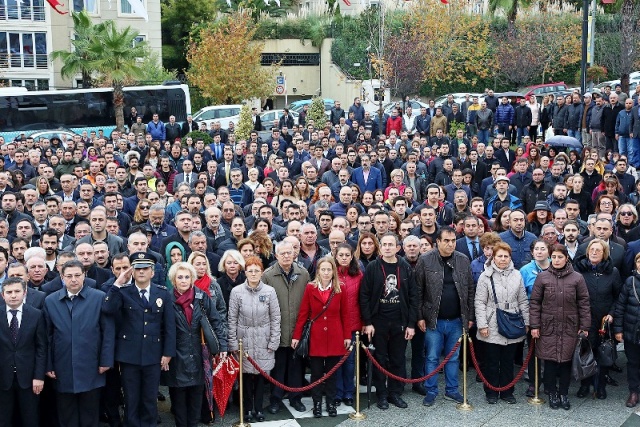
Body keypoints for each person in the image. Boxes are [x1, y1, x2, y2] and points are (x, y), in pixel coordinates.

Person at [103, 252, 176, 427]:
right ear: (132, 272)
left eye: (145, 269)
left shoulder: (162, 293)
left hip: (153, 354)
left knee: (150, 399)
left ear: (152, 272)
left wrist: (168, 353)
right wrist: (117, 284)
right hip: (129, 355)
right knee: (131, 398)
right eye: (137, 268)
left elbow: (169, 326)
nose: (141, 272)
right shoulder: (123, 292)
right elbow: (107, 309)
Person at [43, 260, 114, 427]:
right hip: (62, 366)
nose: (73, 279)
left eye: (77, 275)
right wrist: (48, 364)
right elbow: (46, 336)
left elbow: (107, 333)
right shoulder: (51, 301)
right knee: (66, 415)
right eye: (69, 276)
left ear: (85, 275)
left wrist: (106, 361)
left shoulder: (99, 298)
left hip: (92, 365)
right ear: (62, 277)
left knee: (90, 415)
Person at [163, 261, 227, 427]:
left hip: (200, 355)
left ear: (192, 278)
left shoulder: (201, 297)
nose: (184, 280)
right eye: (180, 277)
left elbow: (216, 321)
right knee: (178, 399)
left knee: (196, 398)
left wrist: (223, 346)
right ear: (173, 280)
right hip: (176, 356)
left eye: (187, 277)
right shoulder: (167, 300)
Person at [416, 226, 475, 407]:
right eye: (447, 241)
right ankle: (431, 390)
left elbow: (470, 290)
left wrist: (470, 315)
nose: (451, 244)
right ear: (438, 242)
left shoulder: (463, 260)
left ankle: (452, 390)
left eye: (453, 241)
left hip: (457, 319)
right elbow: (418, 291)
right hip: (433, 320)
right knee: (432, 357)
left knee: (454, 357)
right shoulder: (425, 260)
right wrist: (420, 317)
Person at [360, 233, 417, 410]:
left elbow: (414, 297)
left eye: (390, 244)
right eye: (384, 244)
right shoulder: (373, 267)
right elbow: (364, 296)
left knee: (397, 359)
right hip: (378, 322)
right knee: (379, 359)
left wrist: (411, 324)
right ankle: (382, 394)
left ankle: (395, 393)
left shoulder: (405, 267)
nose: (387, 247)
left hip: (400, 321)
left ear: (397, 247)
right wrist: (367, 322)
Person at [530, 244, 591, 410]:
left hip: (569, 326)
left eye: (560, 257)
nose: (556, 260)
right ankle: (552, 392)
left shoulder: (577, 278)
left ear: (566, 258)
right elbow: (535, 302)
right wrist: (534, 325)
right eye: (554, 257)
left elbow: (584, 303)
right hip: (548, 325)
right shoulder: (543, 277)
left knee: (565, 361)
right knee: (549, 361)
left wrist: (585, 325)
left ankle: (563, 392)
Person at [292, 256, 351, 418]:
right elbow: (303, 314)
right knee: (316, 373)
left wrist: (347, 336)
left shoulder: (341, 288)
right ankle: (317, 404)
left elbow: (345, 315)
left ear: (333, 271)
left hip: (335, 336)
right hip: (316, 337)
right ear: (318, 271)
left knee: (332, 373)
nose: (326, 273)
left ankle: (331, 403)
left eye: (329, 269)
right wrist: (296, 336)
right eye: (322, 269)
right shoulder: (311, 288)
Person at [475, 242, 529, 404]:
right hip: (492, 322)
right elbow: (479, 302)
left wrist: (526, 322)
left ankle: (507, 391)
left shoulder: (517, 275)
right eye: (500, 256)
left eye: (506, 256)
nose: (503, 259)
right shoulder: (485, 276)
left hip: (512, 321)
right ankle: (491, 392)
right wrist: (482, 324)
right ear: (494, 257)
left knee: (507, 361)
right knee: (491, 361)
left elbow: (523, 300)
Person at [228, 256, 280, 423]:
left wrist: (273, 341)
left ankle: (259, 408)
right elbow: (232, 319)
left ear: (261, 272)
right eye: (250, 271)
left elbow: (275, 318)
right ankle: (247, 409)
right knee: (245, 379)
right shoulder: (236, 292)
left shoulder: (270, 291)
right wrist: (233, 343)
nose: (253, 274)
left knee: (260, 378)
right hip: (244, 341)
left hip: (263, 341)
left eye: (256, 271)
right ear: (245, 272)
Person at [261, 241, 310, 414]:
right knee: (278, 367)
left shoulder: (303, 274)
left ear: (294, 254)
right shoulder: (267, 276)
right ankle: (275, 399)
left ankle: (295, 398)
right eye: (283, 253)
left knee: (296, 368)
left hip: (297, 330)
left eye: (289, 253)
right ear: (276, 255)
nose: (287, 256)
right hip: (277, 331)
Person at [573, 239, 621, 400]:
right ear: (587, 252)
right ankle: (585, 385)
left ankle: (601, 386)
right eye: (591, 249)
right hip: (585, 319)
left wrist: (612, 314)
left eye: (598, 250)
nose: (594, 252)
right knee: (586, 352)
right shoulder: (578, 270)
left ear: (604, 253)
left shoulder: (612, 272)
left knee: (603, 353)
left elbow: (618, 297)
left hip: (604, 321)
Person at [0, 277, 47, 427]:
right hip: (2, 378)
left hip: (29, 379)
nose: (13, 295)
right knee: (3, 419)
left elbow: (41, 348)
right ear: (3, 295)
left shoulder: (36, 315)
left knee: (31, 419)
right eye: (9, 292)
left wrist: (39, 376)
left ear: (25, 293)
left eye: (17, 291)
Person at [333, 243, 363, 407]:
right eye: (341, 255)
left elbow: (362, 300)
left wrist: (364, 322)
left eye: (347, 255)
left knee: (350, 361)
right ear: (336, 257)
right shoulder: (331, 274)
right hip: (335, 325)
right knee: (337, 362)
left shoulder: (358, 274)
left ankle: (348, 392)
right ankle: (337, 393)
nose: (344, 258)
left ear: (352, 257)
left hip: (353, 325)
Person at [614, 252, 640, 408]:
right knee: (633, 363)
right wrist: (618, 329)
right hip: (632, 330)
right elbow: (620, 307)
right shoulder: (630, 282)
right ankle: (634, 391)